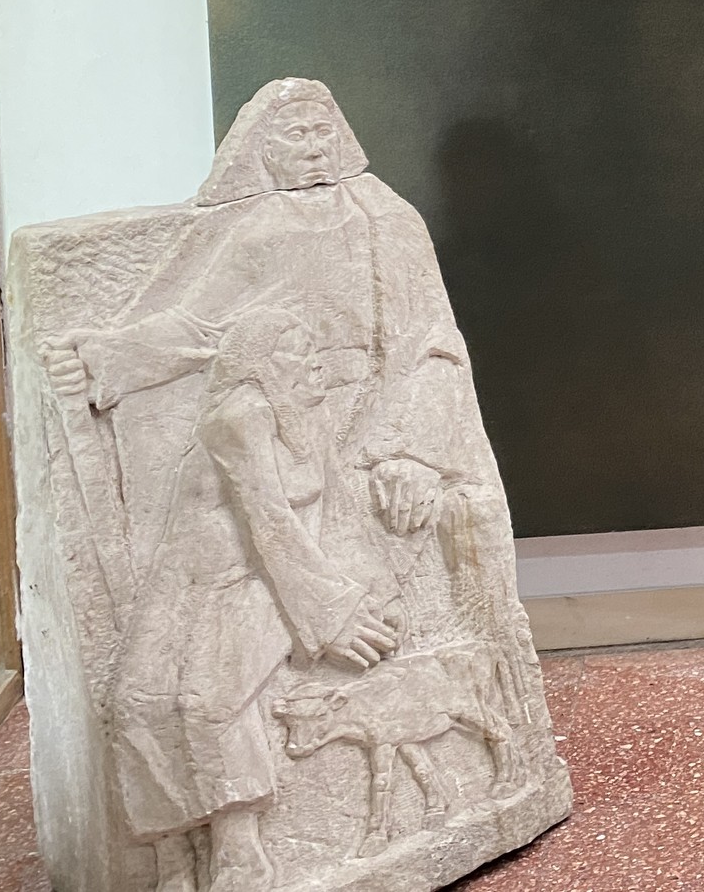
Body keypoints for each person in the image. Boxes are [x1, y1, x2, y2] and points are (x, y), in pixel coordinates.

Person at [42, 80, 482, 887]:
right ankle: (192, 842)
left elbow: (432, 343)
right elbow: (198, 326)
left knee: (215, 677)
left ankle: (247, 840)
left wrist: (415, 453)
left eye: (320, 129)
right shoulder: (256, 235)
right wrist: (109, 358)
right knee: (149, 687)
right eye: (291, 134)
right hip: (280, 432)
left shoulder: (386, 221)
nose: (311, 145)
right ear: (260, 150)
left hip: (369, 435)